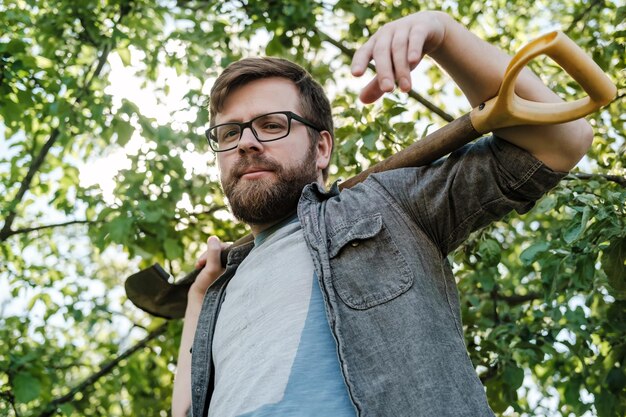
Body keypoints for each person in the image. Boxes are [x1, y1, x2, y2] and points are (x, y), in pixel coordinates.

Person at [172, 10, 593, 417]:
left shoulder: (385, 205)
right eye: (230, 132)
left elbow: (561, 139)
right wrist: (198, 297)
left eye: (271, 124)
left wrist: (443, 33)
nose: (246, 143)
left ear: (321, 149)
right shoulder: (222, 292)